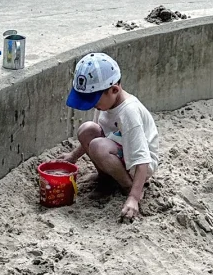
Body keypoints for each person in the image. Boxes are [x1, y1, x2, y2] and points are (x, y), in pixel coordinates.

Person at [67, 51, 159, 223]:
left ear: (114, 89)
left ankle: (127, 185)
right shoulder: (105, 102)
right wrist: (72, 157)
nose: (93, 105)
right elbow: (96, 132)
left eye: (93, 100)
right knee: (86, 129)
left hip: (140, 164)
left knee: (98, 146)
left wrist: (134, 197)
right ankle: (107, 178)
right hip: (117, 148)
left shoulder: (129, 112)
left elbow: (142, 159)